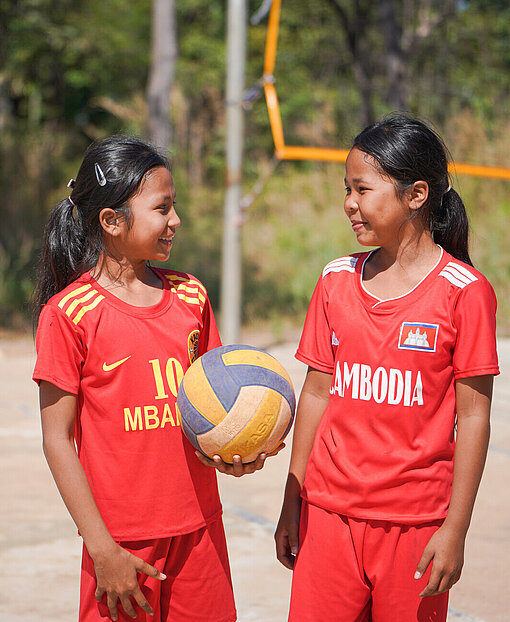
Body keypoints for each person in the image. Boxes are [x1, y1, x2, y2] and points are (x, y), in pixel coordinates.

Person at [32, 135, 271, 622]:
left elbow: (214, 403)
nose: (175, 221)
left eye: (175, 206)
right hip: (121, 545)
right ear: (112, 221)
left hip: (200, 530)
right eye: (163, 209)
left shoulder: (192, 297)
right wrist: (102, 550)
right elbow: (57, 439)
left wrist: (229, 452)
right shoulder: (70, 314)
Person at [275, 114, 499, 622]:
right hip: (328, 515)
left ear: (416, 194)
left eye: (362, 188)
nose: (349, 203)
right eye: (346, 190)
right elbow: (315, 394)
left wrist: (454, 529)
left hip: (415, 525)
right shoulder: (334, 280)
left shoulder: (465, 292)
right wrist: (294, 498)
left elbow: (476, 419)